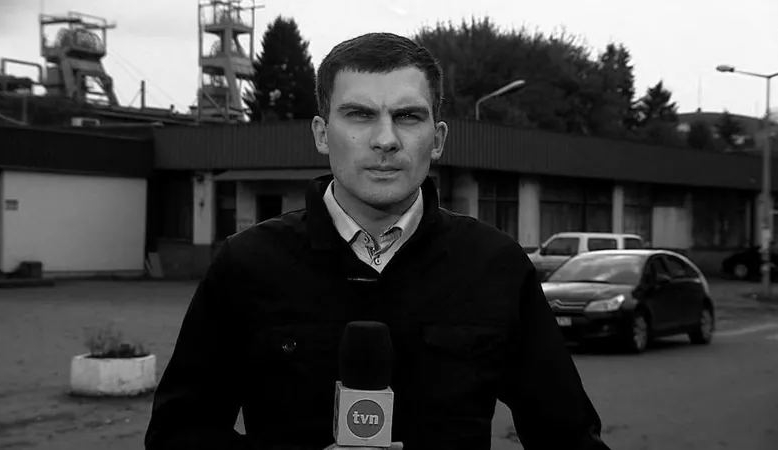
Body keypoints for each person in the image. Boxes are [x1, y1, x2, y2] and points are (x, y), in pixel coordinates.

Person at [145, 32, 611, 450]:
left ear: (438, 139)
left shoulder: (495, 265)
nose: (385, 140)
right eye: (360, 115)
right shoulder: (248, 264)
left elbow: (567, 437)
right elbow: (178, 432)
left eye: (407, 116)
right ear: (322, 134)